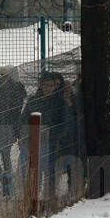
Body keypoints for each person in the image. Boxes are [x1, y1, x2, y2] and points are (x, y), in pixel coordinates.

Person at [18, 71, 73, 201]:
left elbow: (63, 124)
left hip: (50, 143)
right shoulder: (32, 100)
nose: (49, 88)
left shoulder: (59, 102)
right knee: (30, 170)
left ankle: (49, 198)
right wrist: (23, 135)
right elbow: (23, 119)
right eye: (46, 85)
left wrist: (50, 134)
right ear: (40, 85)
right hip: (30, 142)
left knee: (49, 172)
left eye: (52, 85)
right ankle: (31, 197)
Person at [0, 65, 27, 197]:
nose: (2, 77)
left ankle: (6, 185)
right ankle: (5, 182)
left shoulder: (14, 89)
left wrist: (15, 130)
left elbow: (15, 112)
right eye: (1, 75)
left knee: (1, 156)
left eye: (5, 75)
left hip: (6, 127)